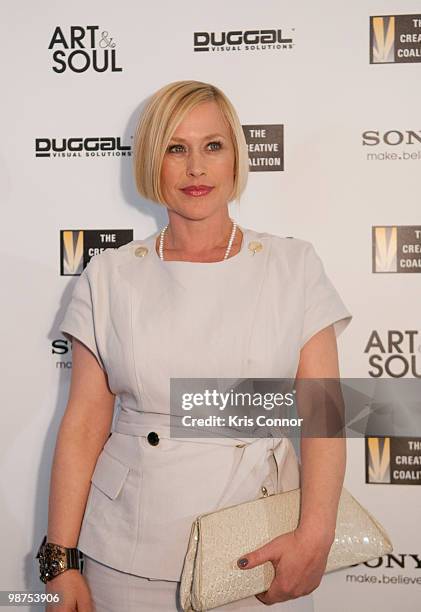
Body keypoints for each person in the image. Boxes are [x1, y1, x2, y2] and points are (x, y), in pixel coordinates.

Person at [39, 80, 352, 611]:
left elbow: (323, 414)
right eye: (175, 148)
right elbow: (86, 420)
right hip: (128, 550)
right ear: (151, 162)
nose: (196, 168)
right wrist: (59, 560)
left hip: (261, 548)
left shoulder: (292, 266)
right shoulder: (109, 275)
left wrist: (315, 536)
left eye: (213, 146)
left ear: (236, 156)